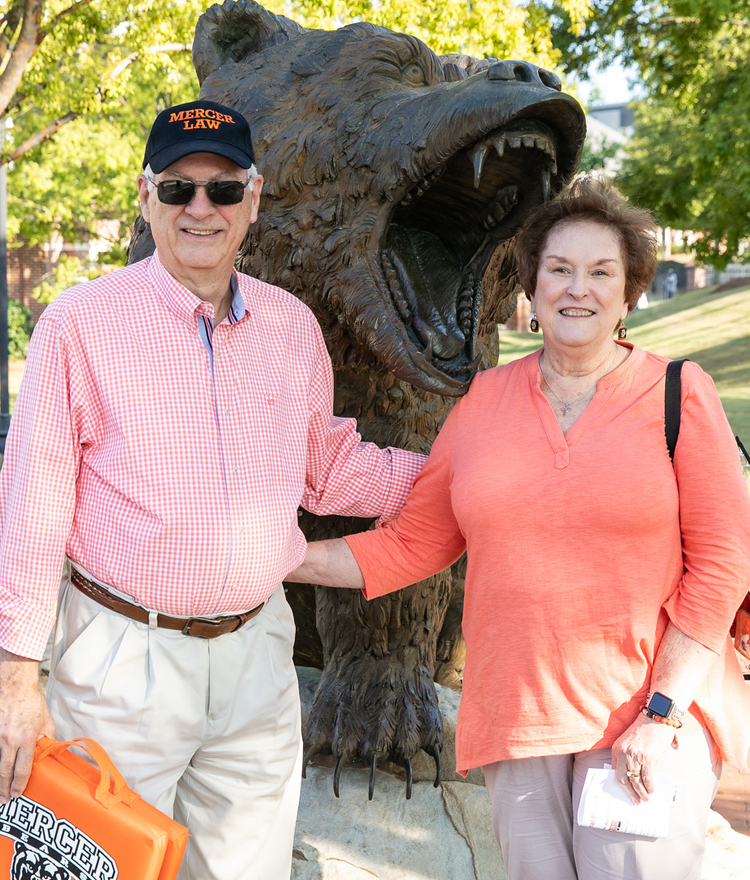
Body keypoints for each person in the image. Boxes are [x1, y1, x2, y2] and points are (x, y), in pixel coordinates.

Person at [0, 100, 425, 880]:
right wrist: (15, 680)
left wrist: (464, 480)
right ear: (146, 196)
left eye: (224, 189)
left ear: (253, 200)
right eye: (179, 189)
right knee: (102, 868)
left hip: (257, 659)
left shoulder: (292, 327)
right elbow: (31, 509)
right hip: (122, 660)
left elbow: (330, 470)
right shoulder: (79, 324)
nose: (202, 208)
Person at [288, 179, 750, 880]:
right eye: (559, 269)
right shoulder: (481, 404)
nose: (578, 288)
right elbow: (416, 543)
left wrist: (661, 715)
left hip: (645, 716)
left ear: (629, 296)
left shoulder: (679, 395)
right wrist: (278, 557)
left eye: (602, 273)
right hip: (519, 717)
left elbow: (722, 564)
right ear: (532, 289)